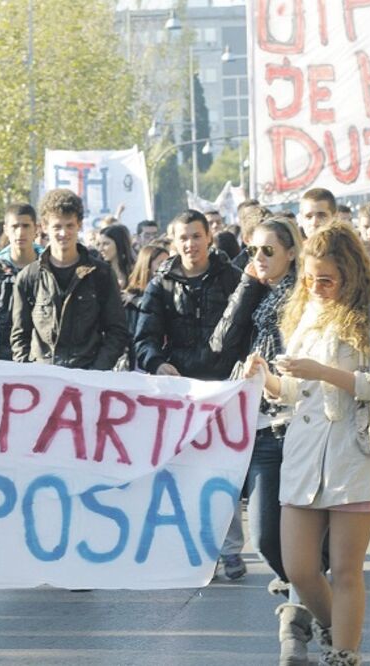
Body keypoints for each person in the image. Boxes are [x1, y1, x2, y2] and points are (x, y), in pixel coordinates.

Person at [243, 224, 370, 666]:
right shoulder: (306, 311)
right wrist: (267, 379)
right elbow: (295, 391)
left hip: (353, 454)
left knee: (347, 570)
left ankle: (344, 654)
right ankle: (337, 632)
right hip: (304, 451)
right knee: (298, 567)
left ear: (350, 273)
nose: (316, 288)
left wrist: (323, 371)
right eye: (310, 279)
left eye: (327, 279)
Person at [210, 217, 305, 662]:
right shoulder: (250, 289)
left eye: (268, 251)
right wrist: (248, 286)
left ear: (291, 252)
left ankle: (310, 607)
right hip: (261, 425)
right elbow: (221, 343)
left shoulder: (308, 294)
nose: (259, 259)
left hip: (304, 421)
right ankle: (309, 589)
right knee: (266, 535)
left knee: (307, 528)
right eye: (252, 251)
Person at [134, 209, 245, 578]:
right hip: (182, 391)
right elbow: (144, 338)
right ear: (173, 240)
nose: (190, 244)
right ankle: (198, 549)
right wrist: (157, 363)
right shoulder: (161, 283)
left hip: (226, 388)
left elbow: (246, 327)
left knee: (223, 471)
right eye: (183, 237)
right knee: (187, 473)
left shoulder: (232, 277)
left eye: (196, 236)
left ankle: (229, 549)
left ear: (208, 238)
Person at [11, 189, 128, 369]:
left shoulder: (101, 274)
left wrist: (97, 371)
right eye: (57, 226)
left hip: (89, 378)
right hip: (42, 380)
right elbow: (20, 336)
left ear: (79, 225)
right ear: (44, 227)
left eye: (70, 225)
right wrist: (29, 372)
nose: (63, 233)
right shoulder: (29, 277)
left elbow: (117, 331)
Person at [0, 203, 42, 361]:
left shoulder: (49, 270)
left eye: (26, 226)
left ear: (36, 228)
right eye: (15, 226)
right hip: (2, 359)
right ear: (6, 229)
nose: (20, 232)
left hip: (43, 357)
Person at [98, 224, 136, 290]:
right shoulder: (97, 272)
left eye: (106, 244)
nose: (100, 249)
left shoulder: (135, 270)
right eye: (99, 244)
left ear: (119, 244)